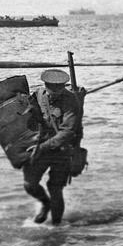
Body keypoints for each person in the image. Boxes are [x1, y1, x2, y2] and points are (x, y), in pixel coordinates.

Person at [25, 69, 83, 225]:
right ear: (46, 85)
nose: (57, 91)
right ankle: (45, 203)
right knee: (30, 184)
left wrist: (43, 147)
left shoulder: (70, 101)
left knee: (55, 188)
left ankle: (56, 226)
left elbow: (68, 132)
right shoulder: (38, 95)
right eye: (53, 88)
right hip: (42, 148)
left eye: (61, 87)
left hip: (62, 151)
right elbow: (29, 119)